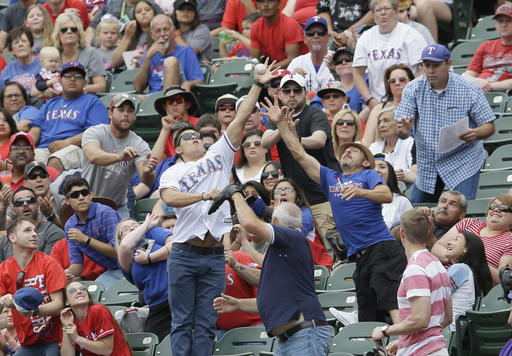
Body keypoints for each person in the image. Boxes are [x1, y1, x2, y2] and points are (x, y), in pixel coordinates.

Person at [158, 61, 276, 355]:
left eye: (197, 134)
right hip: (184, 254)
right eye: (187, 137)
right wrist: (202, 196)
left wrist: (258, 84)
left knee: (209, 320)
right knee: (183, 322)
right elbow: (169, 199)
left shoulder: (219, 154)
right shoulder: (173, 173)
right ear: (179, 148)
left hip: (213, 256)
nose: (194, 137)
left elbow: (241, 117)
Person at [262, 97, 407, 323]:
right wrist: (281, 124)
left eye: (353, 150)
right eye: (345, 150)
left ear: (366, 162)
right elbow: (299, 154)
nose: (347, 151)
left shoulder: (368, 175)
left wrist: (360, 192)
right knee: (368, 317)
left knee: (391, 304)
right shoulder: (331, 177)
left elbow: (386, 195)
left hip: (382, 249)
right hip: (359, 256)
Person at [213, 195, 331, 355]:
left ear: (274, 222)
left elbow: (250, 224)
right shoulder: (284, 254)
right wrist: (238, 304)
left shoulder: (292, 236)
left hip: (304, 335)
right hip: (288, 339)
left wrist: (236, 195)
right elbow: (273, 301)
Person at [396, 44, 496, 203]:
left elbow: (489, 126)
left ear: (448, 64)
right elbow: (400, 132)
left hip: (463, 159)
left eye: (436, 65)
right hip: (428, 160)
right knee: (416, 213)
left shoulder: (468, 88)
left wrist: (476, 133)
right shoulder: (413, 88)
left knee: (461, 210)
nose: (430, 70)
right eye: (426, 65)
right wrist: (404, 130)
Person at [262, 73, 340, 241]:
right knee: (297, 244)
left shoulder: (315, 114)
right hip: (297, 201)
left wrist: (294, 138)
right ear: (280, 94)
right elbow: (265, 141)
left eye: (297, 90)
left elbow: (319, 140)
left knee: (333, 246)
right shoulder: (278, 117)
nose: (292, 94)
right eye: (287, 90)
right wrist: (282, 126)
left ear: (305, 92)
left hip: (323, 197)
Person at [371, 210, 452, 356]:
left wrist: (385, 331)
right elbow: (447, 317)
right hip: (436, 349)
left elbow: (420, 320)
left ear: (402, 233)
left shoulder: (416, 269)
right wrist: (403, 341)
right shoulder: (438, 265)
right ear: (428, 233)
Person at [81, 93, 158, 218]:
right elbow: (93, 156)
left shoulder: (139, 144)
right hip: (87, 202)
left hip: (116, 206)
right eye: (121, 110)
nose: (126, 114)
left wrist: (148, 171)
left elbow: (146, 179)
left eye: (130, 111)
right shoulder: (95, 132)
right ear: (110, 113)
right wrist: (119, 157)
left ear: (135, 116)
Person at [0, 216, 67, 355]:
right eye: (27, 230)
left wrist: (33, 311)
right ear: (12, 238)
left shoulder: (49, 263)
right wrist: (2, 300)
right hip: (27, 344)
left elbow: (58, 305)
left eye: (35, 231)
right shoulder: (4, 269)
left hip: (55, 340)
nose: (34, 234)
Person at [28, 61, 110, 173]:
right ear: (60, 81)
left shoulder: (93, 102)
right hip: (44, 148)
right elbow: (35, 130)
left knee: (55, 161)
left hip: (76, 149)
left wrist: (67, 142)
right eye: (67, 76)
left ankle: (52, 190)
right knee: (29, 161)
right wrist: (26, 146)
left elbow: (97, 132)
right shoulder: (49, 104)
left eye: (77, 76)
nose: (72, 79)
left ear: (84, 83)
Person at [353, 0, 426, 107]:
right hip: (378, 103)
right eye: (378, 10)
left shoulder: (411, 34)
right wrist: (369, 100)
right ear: (373, 16)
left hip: (408, 101)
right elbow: (357, 72)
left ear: (396, 12)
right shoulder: (366, 38)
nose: (383, 13)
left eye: (387, 8)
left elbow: (426, 67)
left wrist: (409, 91)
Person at [432, 195, 512, 286]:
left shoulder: (510, 241)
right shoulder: (468, 223)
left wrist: (472, 260)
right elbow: (437, 248)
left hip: (470, 284)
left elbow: (502, 278)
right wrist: (456, 256)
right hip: (441, 274)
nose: (496, 210)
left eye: (503, 208)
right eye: (492, 206)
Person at [116, 213, 173, 341]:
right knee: (153, 343)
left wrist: (149, 258)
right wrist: (145, 225)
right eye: (125, 229)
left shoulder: (152, 234)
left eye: (134, 225)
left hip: (180, 295)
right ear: (120, 239)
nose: (131, 228)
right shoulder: (125, 257)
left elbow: (175, 245)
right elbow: (126, 246)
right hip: (158, 305)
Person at [63, 176, 122, 289]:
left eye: (84, 193)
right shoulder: (70, 226)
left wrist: (86, 239)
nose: (81, 198)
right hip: (113, 271)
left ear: (90, 195)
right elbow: (77, 266)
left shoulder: (105, 213)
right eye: (75, 195)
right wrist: (65, 274)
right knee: (91, 293)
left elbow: (119, 252)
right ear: (67, 200)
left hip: (133, 264)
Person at [437, 230, 493, 331]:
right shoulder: (466, 270)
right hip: (453, 331)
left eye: (456, 239)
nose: (449, 243)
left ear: (466, 249)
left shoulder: (460, 269)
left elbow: (436, 295)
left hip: (448, 332)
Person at [271, 178, 333, 269]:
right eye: (278, 191)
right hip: (292, 267)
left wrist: (278, 216)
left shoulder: (304, 213)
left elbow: (294, 237)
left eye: (288, 190)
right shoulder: (272, 216)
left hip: (317, 267)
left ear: (297, 198)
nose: (283, 193)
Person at [133, 14, 204, 93]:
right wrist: (147, 58)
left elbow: (200, 81)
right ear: (152, 35)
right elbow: (138, 88)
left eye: (166, 29)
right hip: (153, 98)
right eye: (158, 31)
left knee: (171, 62)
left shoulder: (186, 51)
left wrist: (189, 83)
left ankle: (165, 100)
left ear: (173, 31)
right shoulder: (149, 55)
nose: (162, 34)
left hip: (177, 98)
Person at [59, 281, 131, 356]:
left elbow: (107, 350)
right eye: (72, 290)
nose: (79, 291)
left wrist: (77, 338)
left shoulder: (99, 311)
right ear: (66, 301)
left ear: (88, 296)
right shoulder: (68, 318)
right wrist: (66, 328)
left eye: (83, 289)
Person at [0, 187, 65, 263]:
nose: (25, 204)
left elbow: (51, 266)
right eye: (19, 203)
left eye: (30, 200)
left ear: (38, 206)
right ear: (13, 211)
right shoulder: (5, 240)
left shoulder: (53, 232)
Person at [50, 12, 107, 95]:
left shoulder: (91, 53)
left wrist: (77, 88)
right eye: (64, 29)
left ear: (79, 33)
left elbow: (101, 86)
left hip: (84, 100)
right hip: (57, 101)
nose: (69, 32)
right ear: (58, 35)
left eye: (73, 29)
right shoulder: (52, 54)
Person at [462, 3, 512, 93]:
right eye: (500, 21)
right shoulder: (485, 46)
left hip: (504, 96)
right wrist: (479, 82)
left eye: (508, 21)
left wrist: (490, 86)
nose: (504, 25)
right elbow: (467, 75)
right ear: (496, 25)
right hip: (479, 91)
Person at [362, 64, 414, 146]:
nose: (397, 83)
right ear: (389, 85)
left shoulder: (420, 107)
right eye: (392, 81)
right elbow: (367, 141)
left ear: (411, 82)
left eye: (402, 80)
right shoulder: (379, 108)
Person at [249, 0, 306, 68]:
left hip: (299, 70)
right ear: (257, 5)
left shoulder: (290, 25)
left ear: (279, 4)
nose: (265, 5)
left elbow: (292, 59)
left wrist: (269, 68)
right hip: (274, 69)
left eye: (271, 1)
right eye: (261, 1)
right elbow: (255, 58)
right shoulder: (256, 26)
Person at [151, 86, 200, 161]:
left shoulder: (199, 123)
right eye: (170, 101)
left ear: (188, 104)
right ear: (165, 107)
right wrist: (165, 130)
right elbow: (155, 161)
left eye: (179, 100)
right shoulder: (166, 130)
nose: (174, 104)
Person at [287, 16, 334, 93]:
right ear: (305, 38)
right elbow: (285, 92)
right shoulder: (296, 63)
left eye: (320, 33)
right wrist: (293, 80)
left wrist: (337, 73)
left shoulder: (339, 59)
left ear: (328, 37)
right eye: (311, 33)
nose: (316, 36)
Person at [85, 0, 164, 46]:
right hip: (101, 47)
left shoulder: (149, 5)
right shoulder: (112, 4)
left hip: (130, 47)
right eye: (139, 11)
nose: (143, 12)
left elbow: (164, 23)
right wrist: (88, 50)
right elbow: (92, 27)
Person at [111, 0, 158, 69]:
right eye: (139, 11)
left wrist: (145, 59)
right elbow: (115, 62)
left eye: (147, 10)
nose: (143, 13)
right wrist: (127, 37)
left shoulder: (161, 32)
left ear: (154, 13)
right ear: (135, 17)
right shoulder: (131, 34)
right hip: (132, 75)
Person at [374, 154, 412, 235]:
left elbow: (413, 232)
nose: (376, 170)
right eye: (372, 167)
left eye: (382, 167)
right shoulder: (360, 200)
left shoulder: (402, 201)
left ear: (390, 174)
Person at [369, 107, 414, 175]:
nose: (381, 125)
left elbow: (414, 173)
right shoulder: (374, 146)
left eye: (386, 120)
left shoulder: (409, 143)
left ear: (398, 123)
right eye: (379, 122)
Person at [0, 27, 41, 97]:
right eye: (16, 42)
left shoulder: (43, 64)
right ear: (11, 50)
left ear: (31, 45)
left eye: (24, 41)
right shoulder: (7, 71)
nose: (20, 45)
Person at [329, 47, 366, 114]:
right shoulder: (330, 86)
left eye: (348, 59)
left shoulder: (366, 80)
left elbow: (368, 108)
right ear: (335, 67)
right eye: (339, 61)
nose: (343, 62)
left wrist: (354, 123)